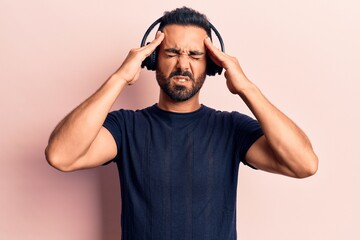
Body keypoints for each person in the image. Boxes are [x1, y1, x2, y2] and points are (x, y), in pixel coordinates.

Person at [45, 6, 318, 240]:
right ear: (153, 59)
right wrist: (119, 77)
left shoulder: (231, 129)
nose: (183, 64)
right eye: (172, 52)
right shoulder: (126, 127)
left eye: (195, 55)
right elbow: (61, 155)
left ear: (211, 64)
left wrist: (247, 88)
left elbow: (304, 164)